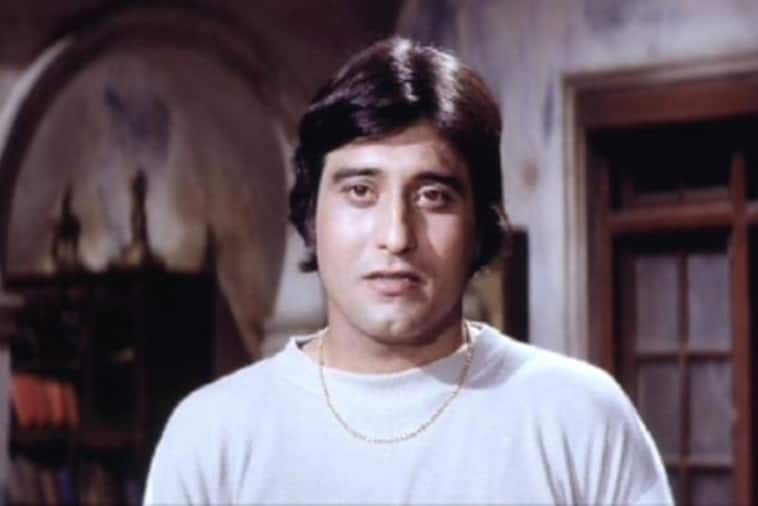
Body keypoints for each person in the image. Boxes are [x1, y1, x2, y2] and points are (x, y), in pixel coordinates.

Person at [144, 37, 673, 505]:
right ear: (310, 215)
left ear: (479, 225)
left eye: (433, 196)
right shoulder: (213, 435)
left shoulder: (579, 416)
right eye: (360, 191)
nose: (396, 236)